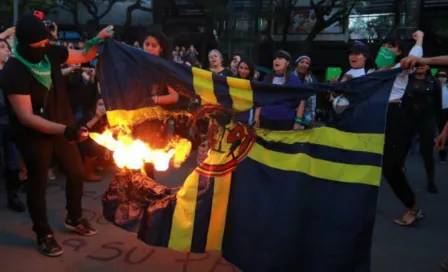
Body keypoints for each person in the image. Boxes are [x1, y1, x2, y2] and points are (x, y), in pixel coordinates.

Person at [0, 12, 113, 257]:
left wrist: (98, 39)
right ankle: (44, 233)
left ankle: (74, 217)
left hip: (63, 126)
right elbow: (27, 117)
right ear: (26, 44)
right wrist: (66, 130)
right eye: (40, 43)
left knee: (75, 172)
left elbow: (84, 55)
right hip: (34, 135)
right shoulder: (13, 71)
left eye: (46, 41)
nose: (45, 46)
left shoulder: (49, 52)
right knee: (38, 183)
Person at [0, 34, 26, 212]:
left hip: (9, 122)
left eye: (7, 48)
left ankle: (13, 196)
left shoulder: (11, 71)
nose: (6, 51)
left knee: (12, 162)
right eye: (2, 48)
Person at [401, 54, 448, 150]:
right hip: (411, 116)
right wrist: (445, 131)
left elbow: (437, 100)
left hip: (428, 117)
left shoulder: (433, 82)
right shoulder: (409, 81)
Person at [254, 50, 304, 131]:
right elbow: (260, 98)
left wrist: (298, 122)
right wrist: (256, 117)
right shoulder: (267, 78)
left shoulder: (294, 79)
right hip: (266, 118)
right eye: (275, 58)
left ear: (287, 63)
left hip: (286, 120)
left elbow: (301, 101)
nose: (276, 61)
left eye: (280, 58)